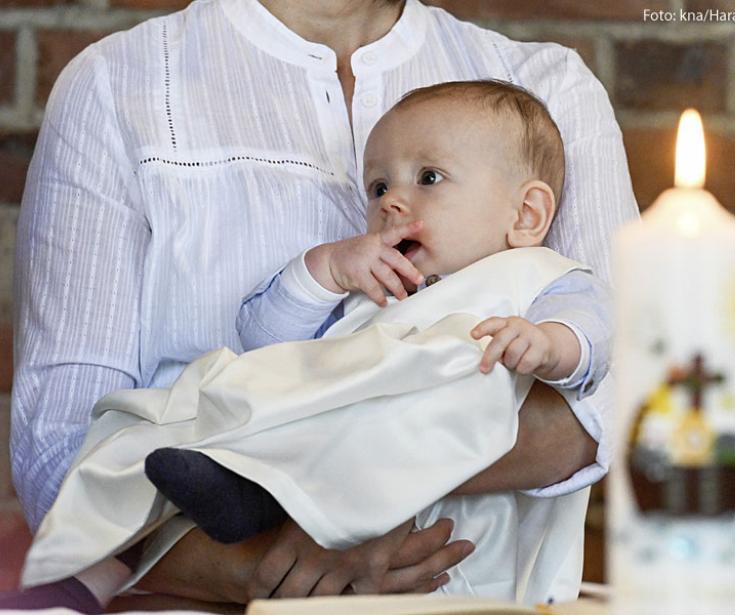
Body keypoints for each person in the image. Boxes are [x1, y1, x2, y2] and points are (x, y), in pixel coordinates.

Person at [10, 0, 638, 609]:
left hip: (459, 560)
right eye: (378, 187)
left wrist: (358, 500)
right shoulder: (117, 83)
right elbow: (61, 446)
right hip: (204, 579)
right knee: (152, 430)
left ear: (528, 214)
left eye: (428, 179)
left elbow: (624, 382)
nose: (391, 203)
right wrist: (262, 567)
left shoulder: (546, 91)